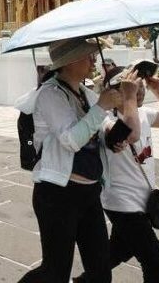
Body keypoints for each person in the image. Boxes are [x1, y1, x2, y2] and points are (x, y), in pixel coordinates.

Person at [18, 38, 121, 283]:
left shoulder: (86, 93)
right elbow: (71, 140)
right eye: (87, 56)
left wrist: (115, 133)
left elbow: (100, 129)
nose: (93, 60)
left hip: (89, 191)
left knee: (100, 269)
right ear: (70, 61)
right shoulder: (50, 95)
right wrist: (102, 107)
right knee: (55, 272)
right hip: (58, 195)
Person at [73, 65, 159, 283]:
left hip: (143, 199)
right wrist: (130, 98)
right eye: (134, 88)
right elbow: (129, 135)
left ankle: (84, 280)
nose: (140, 91)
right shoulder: (105, 120)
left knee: (119, 251)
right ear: (117, 91)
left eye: (141, 87)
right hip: (122, 203)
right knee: (157, 265)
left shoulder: (144, 114)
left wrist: (158, 90)